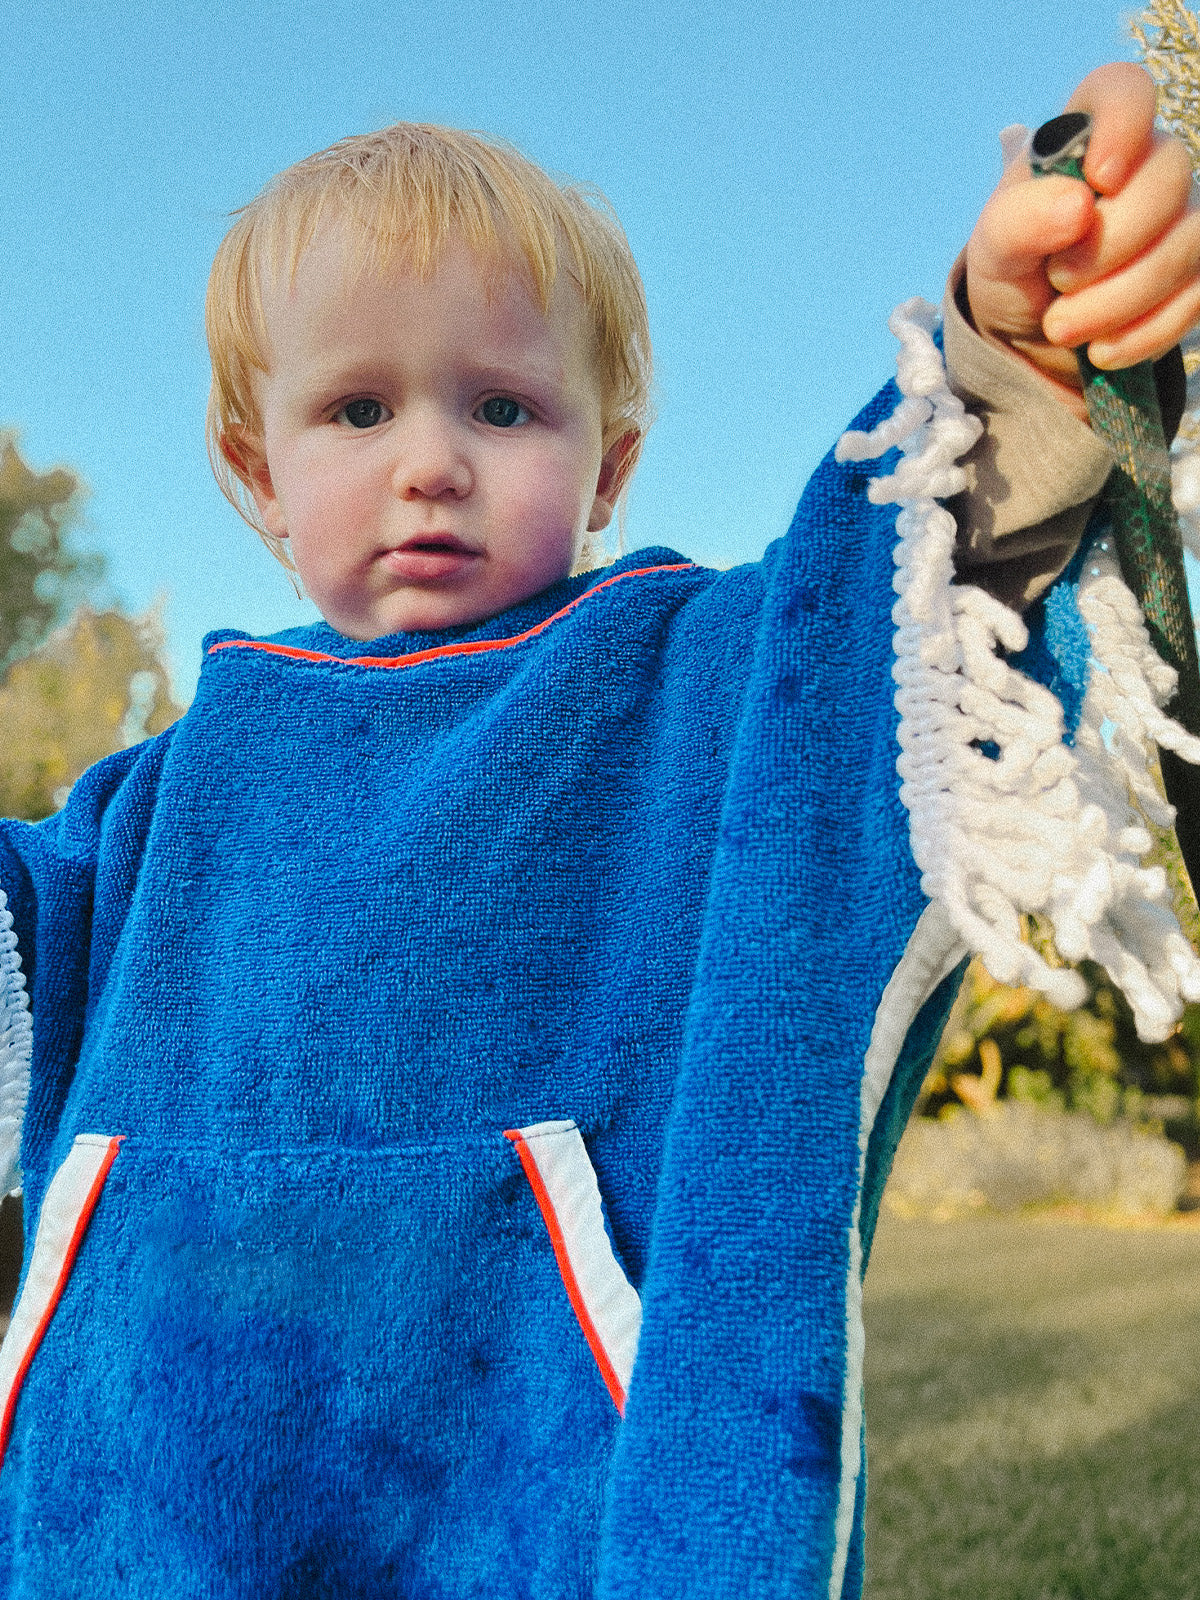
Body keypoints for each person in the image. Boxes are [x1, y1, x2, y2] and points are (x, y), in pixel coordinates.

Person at [0, 60, 1195, 1600]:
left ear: (608, 463)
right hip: (142, 1491)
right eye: (357, 407)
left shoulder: (682, 686)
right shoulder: (160, 804)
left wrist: (1015, 361)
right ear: (257, 472)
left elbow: (884, 626)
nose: (431, 459)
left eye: (504, 405)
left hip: (543, 1473)